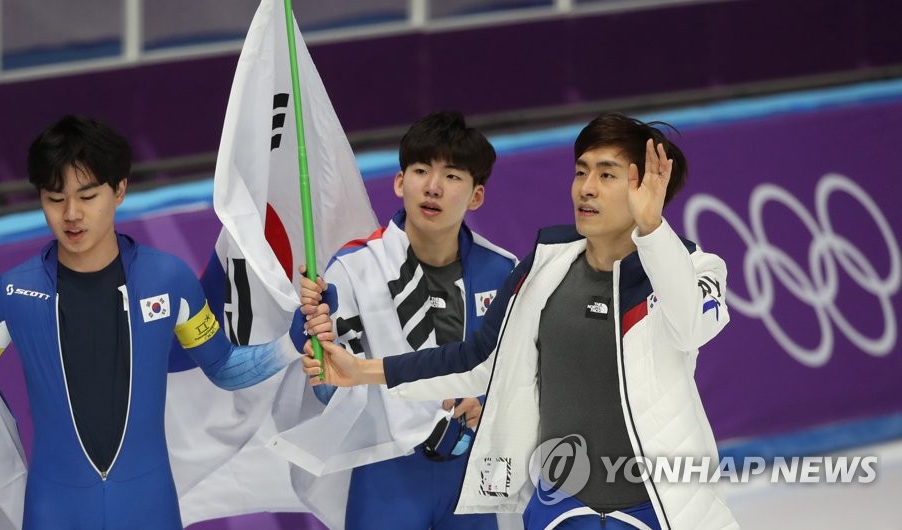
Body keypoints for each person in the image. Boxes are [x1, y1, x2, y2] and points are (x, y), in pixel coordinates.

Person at [300, 113, 739, 529]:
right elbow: (477, 358)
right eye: (581, 171)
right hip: (559, 512)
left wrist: (653, 230)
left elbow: (690, 326)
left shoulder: (696, 268)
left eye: (607, 175)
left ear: (646, 188)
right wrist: (361, 372)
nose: (586, 188)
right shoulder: (542, 268)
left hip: (659, 512)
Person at [0, 115, 314, 530]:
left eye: (88, 196)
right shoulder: (12, 294)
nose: (71, 213)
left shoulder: (169, 280)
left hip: (149, 509)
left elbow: (222, 367)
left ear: (119, 190)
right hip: (55, 511)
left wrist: (289, 344)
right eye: (55, 199)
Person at [292, 111, 516, 530]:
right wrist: (309, 328)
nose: (433, 187)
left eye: (452, 176)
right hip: (387, 479)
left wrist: (485, 404)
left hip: (472, 479)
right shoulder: (355, 268)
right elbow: (327, 384)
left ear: (476, 196)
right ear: (399, 182)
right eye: (420, 170)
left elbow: (525, 374)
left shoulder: (503, 271)